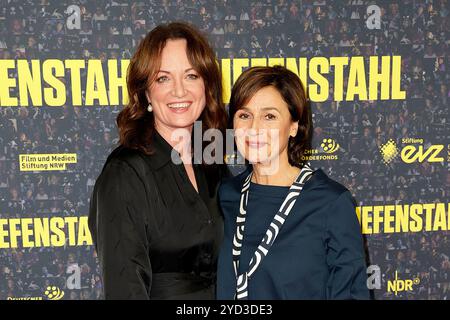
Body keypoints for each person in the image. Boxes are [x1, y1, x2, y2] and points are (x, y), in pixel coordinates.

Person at [88, 22, 228, 300]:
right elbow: (124, 289)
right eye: (163, 78)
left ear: (206, 85)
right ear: (146, 92)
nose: (179, 91)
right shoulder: (125, 173)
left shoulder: (212, 161)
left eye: (191, 75)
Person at [217, 66, 370, 300]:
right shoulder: (226, 195)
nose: (254, 128)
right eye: (244, 115)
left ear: (293, 126)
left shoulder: (330, 203)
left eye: (269, 116)